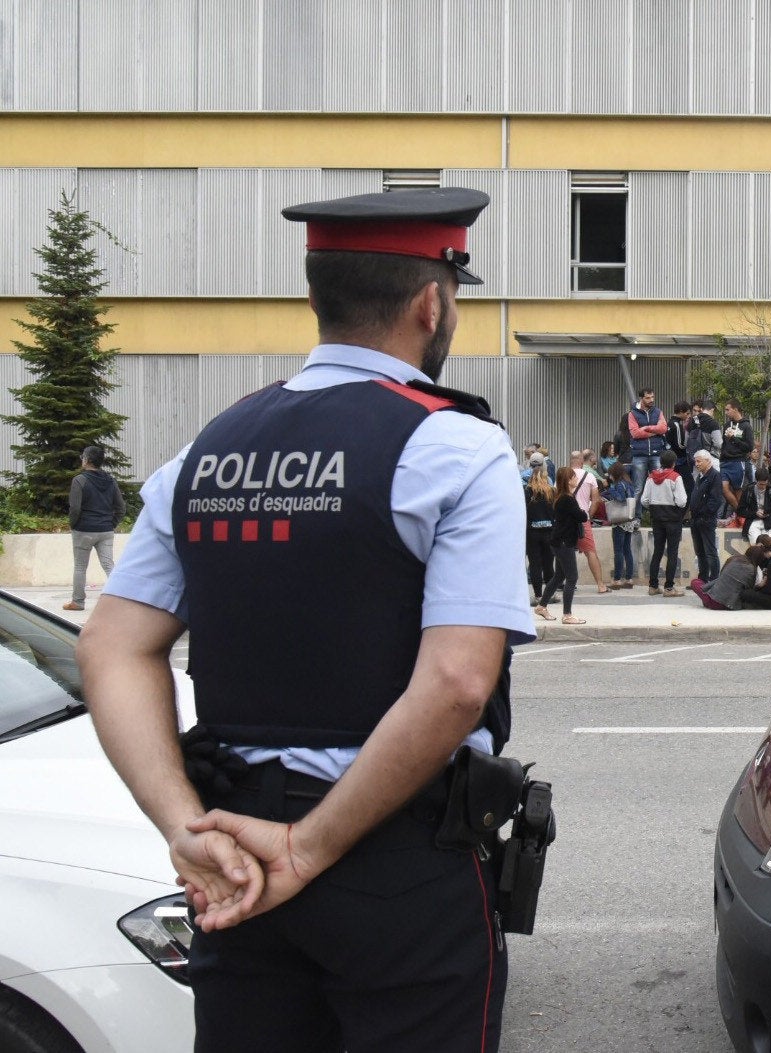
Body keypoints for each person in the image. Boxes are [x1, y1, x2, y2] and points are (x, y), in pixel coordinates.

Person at [75, 186, 535, 1052]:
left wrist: (186, 829)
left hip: (232, 854)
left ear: (317, 296)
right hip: (392, 853)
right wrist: (310, 846)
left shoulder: (204, 451)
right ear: (432, 303)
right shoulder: (456, 447)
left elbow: (111, 646)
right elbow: (457, 682)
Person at [64, 444, 125, 611]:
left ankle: (78, 602)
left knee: (80, 567)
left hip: (83, 529)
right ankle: (121, 600)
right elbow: (121, 508)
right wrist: (111, 524)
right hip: (105, 530)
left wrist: (73, 524)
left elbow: (75, 508)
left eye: (83, 456)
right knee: (108, 565)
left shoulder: (79, 480)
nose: (81, 459)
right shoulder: (111, 481)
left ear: (88, 460)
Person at [535, 465, 589, 625]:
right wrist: (583, 512)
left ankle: (542, 605)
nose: (576, 478)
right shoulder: (567, 498)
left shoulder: (561, 496)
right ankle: (567, 614)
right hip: (564, 542)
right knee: (572, 577)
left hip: (559, 541)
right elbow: (581, 517)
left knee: (559, 576)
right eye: (573, 477)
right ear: (568, 480)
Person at [643, 449, 688, 597]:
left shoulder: (651, 477)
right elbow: (681, 502)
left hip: (657, 519)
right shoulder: (676, 477)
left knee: (657, 551)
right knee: (672, 552)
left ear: (660, 462)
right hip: (673, 519)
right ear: (674, 463)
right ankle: (669, 588)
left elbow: (644, 500)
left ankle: (653, 586)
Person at [569, 450, 610, 593]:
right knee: (590, 552)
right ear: (581, 461)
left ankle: (566, 584)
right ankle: (600, 585)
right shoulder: (590, 476)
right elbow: (596, 500)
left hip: (566, 521)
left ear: (570, 460)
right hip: (582, 519)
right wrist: (589, 516)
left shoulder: (563, 475)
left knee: (566, 552)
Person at [627, 388, 669, 514]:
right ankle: (635, 517)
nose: (651, 400)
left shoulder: (658, 411)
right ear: (641, 398)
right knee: (638, 487)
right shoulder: (632, 414)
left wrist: (647, 428)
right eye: (648, 398)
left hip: (656, 453)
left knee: (659, 484)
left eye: (652, 397)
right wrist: (653, 432)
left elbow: (663, 428)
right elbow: (635, 433)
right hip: (639, 455)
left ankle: (658, 516)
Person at [690, 541, 765, 610]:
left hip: (714, 601)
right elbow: (749, 589)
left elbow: (721, 576)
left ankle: (707, 600)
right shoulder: (754, 570)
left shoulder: (735, 559)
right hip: (731, 603)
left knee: (695, 582)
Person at [688, 449, 723, 582]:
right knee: (700, 552)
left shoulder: (715, 476)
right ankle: (702, 579)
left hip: (706, 520)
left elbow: (715, 500)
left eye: (699, 461)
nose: (696, 464)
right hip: (696, 520)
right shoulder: (700, 476)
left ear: (708, 461)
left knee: (710, 552)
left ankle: (714, 580)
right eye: (695, 461)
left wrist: (704, 514)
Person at [601, 461, 638, 589]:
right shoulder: (629, 484)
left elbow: (620, 498)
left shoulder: (619, 484)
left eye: (610, 474)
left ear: (614, 474)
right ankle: (629, 579)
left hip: (619, 521)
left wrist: (609, 488)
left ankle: (617, 580)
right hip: (629, 520)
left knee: (618, 551)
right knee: (627, 550)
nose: (609, 476)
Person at [524, 455, 556, 595]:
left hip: (532, 532)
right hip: (549, 531)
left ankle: (538, 595)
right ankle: (549, 595)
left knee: (535, 564)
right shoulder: (551, 490)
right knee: (548, 564)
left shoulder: (527, 490)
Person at [719, 399, 755, 517]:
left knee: (738, 490)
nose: (726, 412)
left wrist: (734, 438)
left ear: (735, 409)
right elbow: (724, 443)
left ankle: (742, 517)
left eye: (727, 410)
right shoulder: (726, 425)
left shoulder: (746, 426)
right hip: (725, 462)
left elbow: (749, 447)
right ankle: (740, 513)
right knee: (724, 488)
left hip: (738, 462)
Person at [740, 466, 771, 543]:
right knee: (756, 545)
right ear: (756, 481)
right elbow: (740, 510)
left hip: (768, 523)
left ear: (767, 481)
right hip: (753, 522)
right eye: (760, 484)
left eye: (765, 484)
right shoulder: (749, 490)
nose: (763, 487)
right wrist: (755, 513)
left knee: (768, 546)